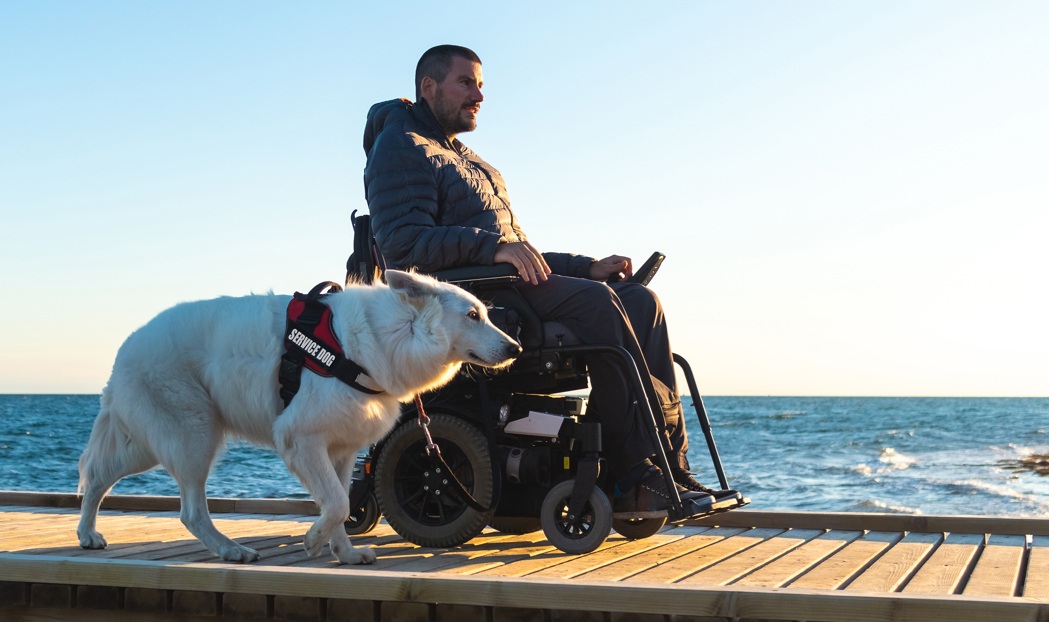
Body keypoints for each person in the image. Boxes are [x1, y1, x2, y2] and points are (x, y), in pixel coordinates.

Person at [361, 44, 728, 516]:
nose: (479, 96)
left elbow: (520, 249)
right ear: (429, 88)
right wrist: (490, 248)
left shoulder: (472, 162)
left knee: (641, 301)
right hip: (478, 299)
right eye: (466, 83)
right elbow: (403, 245)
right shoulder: (401, 147)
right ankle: (637, 477)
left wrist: (584, 266)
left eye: (481, 86)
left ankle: (667, 469)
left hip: (506, 282)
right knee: (600, 305)